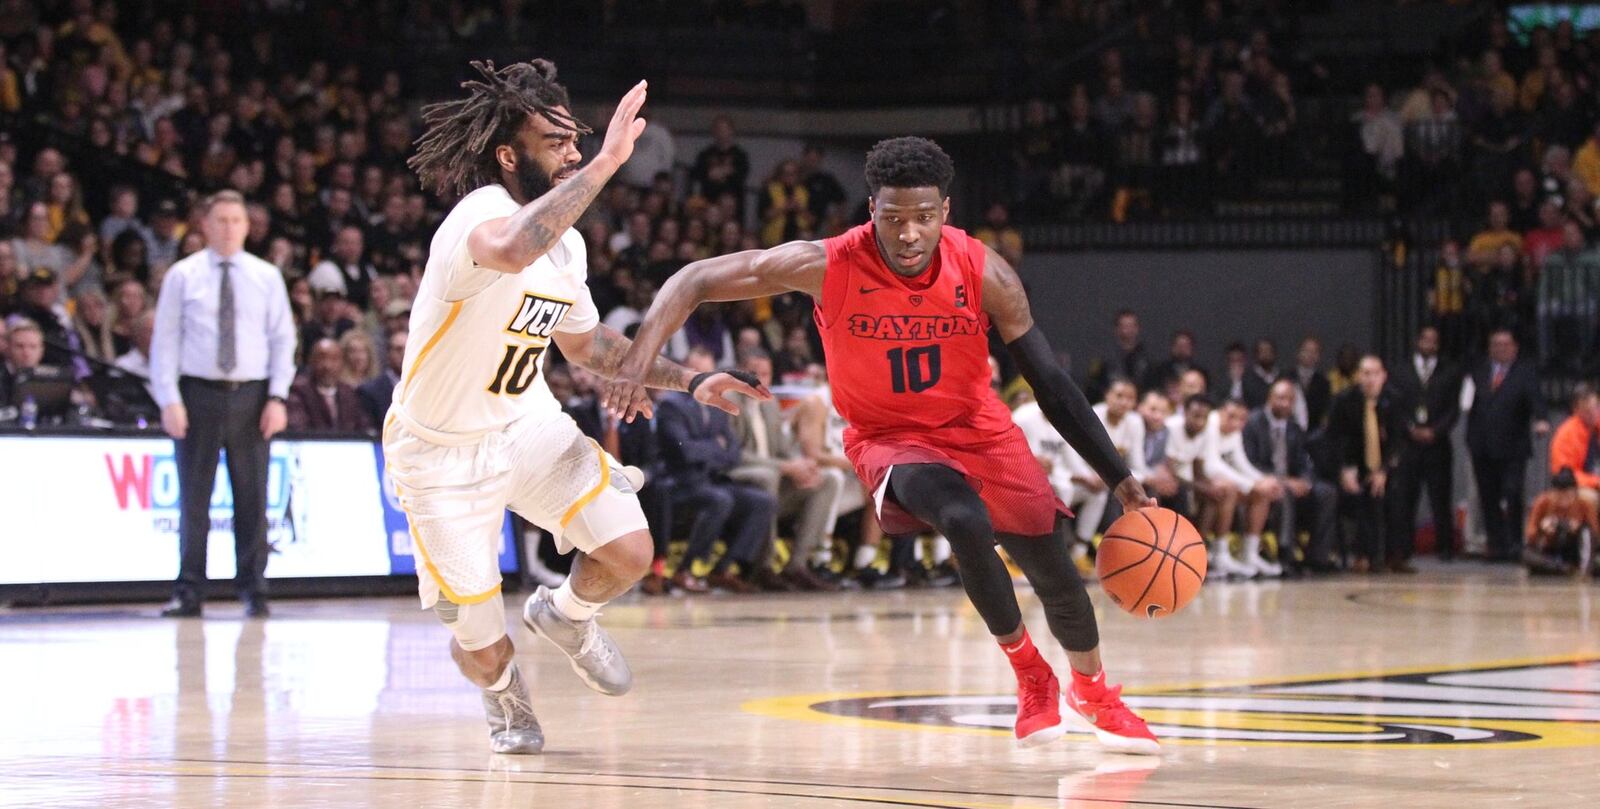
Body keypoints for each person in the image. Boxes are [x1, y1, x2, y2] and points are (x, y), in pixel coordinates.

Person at [606, 137, 1159, 754]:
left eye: (923, 217)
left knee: (1056, 572)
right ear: (871, 209)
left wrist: (1117, 475)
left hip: (979, 429)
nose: (908, 234)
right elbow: (694, 278)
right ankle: (1031, 674)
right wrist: (636, 359)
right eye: (893, 219)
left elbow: (1050, 384)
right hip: (890, 438)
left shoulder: (986, 271)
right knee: (962, 518)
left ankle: (1093, 690)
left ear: (945, 212)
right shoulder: (829, 263)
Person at [389, 61, 764, 755]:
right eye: (556, 144)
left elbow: (589, 345)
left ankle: (565, 614)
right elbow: (511, 248)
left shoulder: (570, 245)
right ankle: (501, 692)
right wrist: (610, 163)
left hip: (525, 422)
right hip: (441, 452)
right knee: (476, 638)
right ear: (509, 155)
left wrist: (688, 381)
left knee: (631, 551)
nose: (573, 155)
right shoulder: (481, 215)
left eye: (577, 143)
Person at [150, 190, 297, 619]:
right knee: (194, 500)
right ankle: (189, 590)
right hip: (198, 394)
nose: (229, 227)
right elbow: (166, 342)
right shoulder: (183, 275)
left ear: (247, 227)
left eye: (236, 220)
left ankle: (254, 589)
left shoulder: (267, 276)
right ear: (205, 225)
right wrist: (169, 398)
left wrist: (277, 396)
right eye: (221, 220)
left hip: (253, 396)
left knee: (252, 498)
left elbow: (283, 340)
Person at [729, 349, 841, 591]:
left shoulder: (770, 404)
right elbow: (735, 455)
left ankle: (798, 565)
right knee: (768, 477)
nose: (759, 380)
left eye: (765, 374)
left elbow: (782, 448)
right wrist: (785, 467)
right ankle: (764, 566)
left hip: (773, 477)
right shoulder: (728, 401)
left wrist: (802, 466)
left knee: (828, 479)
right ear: (739, 374)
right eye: (752, 373)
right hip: (738, 477)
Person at [1465, 329, 1549, 561]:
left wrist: (1541, 420)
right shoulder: (1480, 371)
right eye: (1495, 345)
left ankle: (1514, 543)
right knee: (1488, 496)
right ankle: (1496, 544)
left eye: (1504, 345)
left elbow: (1536, 400)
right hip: (1482, 445)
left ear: (1514, 347)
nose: (1500, 349)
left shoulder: (1525, 373)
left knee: (1512, 492)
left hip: (1512, 446)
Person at [1242, 379, 1339, 575]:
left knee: (1326, 492)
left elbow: (1305, 462)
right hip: (1263, 481)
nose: (1284, 403)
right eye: (1280, 398)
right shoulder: (1253, 422)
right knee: (1282, 491)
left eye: (1289, 399)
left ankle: (1317, 557)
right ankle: (1286, 554)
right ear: (1270, 398)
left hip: (1292, 481)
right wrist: (1283, 481)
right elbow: (1249, 462)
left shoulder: (1294, 428)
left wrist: (1306, 481)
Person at [1329, 355, 1410, 573]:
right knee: (1359, 499)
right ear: (1358, 376)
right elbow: (1334, 438)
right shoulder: (1344, 400)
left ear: (1383, 376)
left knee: (1395, 495)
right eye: (1365, 373)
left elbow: (1399, 440)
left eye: (1374, 373)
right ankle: (1363, 554)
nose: (1370, 379)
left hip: (1386, 462)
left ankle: (1396, 554)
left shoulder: (1394, 400)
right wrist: (1345, 469)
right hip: (1355, 463)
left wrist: (1383, 470)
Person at [1390, 326, 1463, 561]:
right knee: (1405, 497)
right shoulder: (1400, 371)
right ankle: (1403, 547)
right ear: (1417, 341)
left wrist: (1436, 430)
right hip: (1408, 445)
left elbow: (1453, 409)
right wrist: (1409, 428)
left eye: (1434, 341)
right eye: (1425, 340)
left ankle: (1444, 547)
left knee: (1440, 498)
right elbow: (1395, 406)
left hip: (1437, 444)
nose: (1429, 345)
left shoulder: (1450, 371)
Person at [287, 338, 373, 433]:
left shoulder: (349, 393)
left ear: (342, 363)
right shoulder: (298, 391)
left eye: (334, 359)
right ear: (311, 361)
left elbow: (364, 428)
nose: (327, 366)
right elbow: (298, 429)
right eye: (322, 358)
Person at [1523, 468, 1598, 576]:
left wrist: (1579, 528)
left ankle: (1582, 571)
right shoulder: (1542, 502)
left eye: (1568, 497)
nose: (1563, 502)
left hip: (1576, 550)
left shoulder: (1585, 505)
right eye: (1559, 497)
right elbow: (1530, 535)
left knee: (1587, 534)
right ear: (1552, 493)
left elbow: (1595, 533)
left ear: (1575, 493)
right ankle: (1564, 569)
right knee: (1527, 556)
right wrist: (1542, 529)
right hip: (1550, 551)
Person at [1548, 384, 1600, 510]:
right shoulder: (1566, 434)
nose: (1594, 414)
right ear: (1576, 410)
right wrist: (1596, 482)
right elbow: (1565, 475)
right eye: (1588, 411)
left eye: (1596, 408)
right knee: (1590, 498)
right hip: (1574, 488)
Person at [357, 329, 406, 430]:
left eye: (409, 349)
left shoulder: (425, 388)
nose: (404, 354)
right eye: (398, 349)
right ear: (388, 354)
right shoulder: (370, 391)